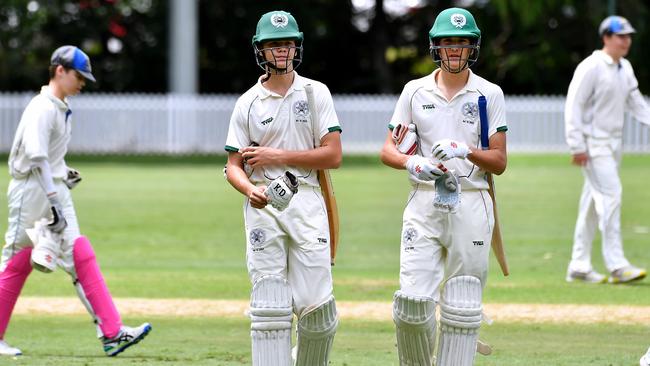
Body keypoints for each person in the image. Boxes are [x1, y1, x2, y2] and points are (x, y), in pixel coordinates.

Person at [0, 46, 151, 357]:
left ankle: (112, 332)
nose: (82, 82)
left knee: (80, 253)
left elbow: (50, 158)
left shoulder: (59, 105)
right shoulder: (42, 107)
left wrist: (63, 173)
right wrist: (54, 198)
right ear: (59, 71)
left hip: (52, 188)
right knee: (15, 261)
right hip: (32, 191)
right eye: (78, 76)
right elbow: (36, 158)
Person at [380, 7, 507, 366]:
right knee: (412, 305)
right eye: (448, 43)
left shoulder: (489, 93)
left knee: (462, 306)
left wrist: (466, 150)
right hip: (423, 201)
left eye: (462, 43)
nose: (455, 50)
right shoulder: (414, 91)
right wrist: (412, 161)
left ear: (472, 48)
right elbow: (388, 149)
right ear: (436, 47)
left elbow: (499, 161)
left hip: (471, 199)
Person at [224, 10, 342, 366]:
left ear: (297, 48)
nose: (282, 51)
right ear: (261, 50)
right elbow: (233, 167)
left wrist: (279, 154)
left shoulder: (315, 92)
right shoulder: (247, 103)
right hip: (263, 206)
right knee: (269, 305)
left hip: (306, 199)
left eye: (287, 44)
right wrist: (250, 191)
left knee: (318, 311)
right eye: (274, 45)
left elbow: (333, 155)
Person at [564, 15, 650, 284]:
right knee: (611, 197)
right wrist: (576, 145)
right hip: (593, 146)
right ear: (606, 38)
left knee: (592, 205)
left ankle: (579, 265)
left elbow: (637, 103)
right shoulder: (591, 67)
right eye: (620, 36)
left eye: (628, 36)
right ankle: (617, 265)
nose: (626, 41)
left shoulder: (625, 68)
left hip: (613, 146)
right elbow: (573, 106)